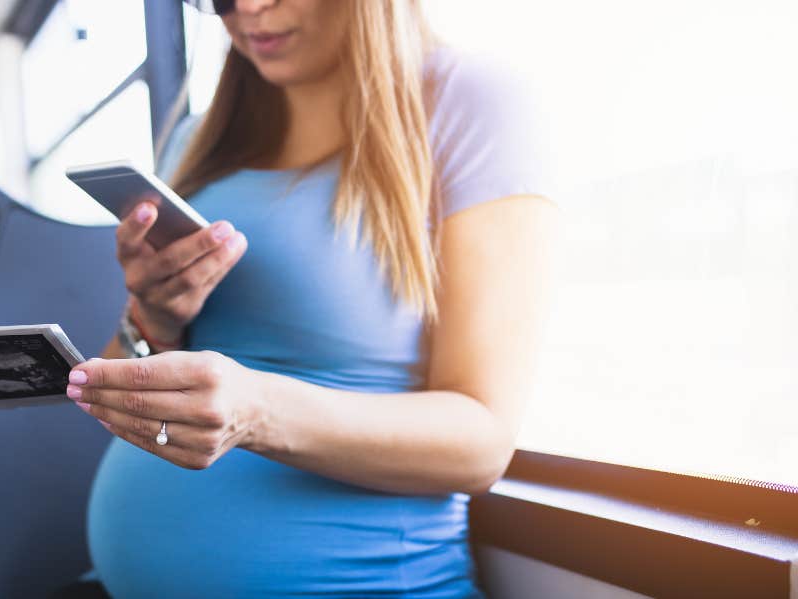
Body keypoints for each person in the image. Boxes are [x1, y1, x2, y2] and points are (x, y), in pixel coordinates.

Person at [63, 0, 557, 596]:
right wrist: (154, 319)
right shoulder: (194, 143)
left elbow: (482, 443)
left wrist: (257, 412)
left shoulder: (471, 101)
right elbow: (131, 392)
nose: (246, 7)